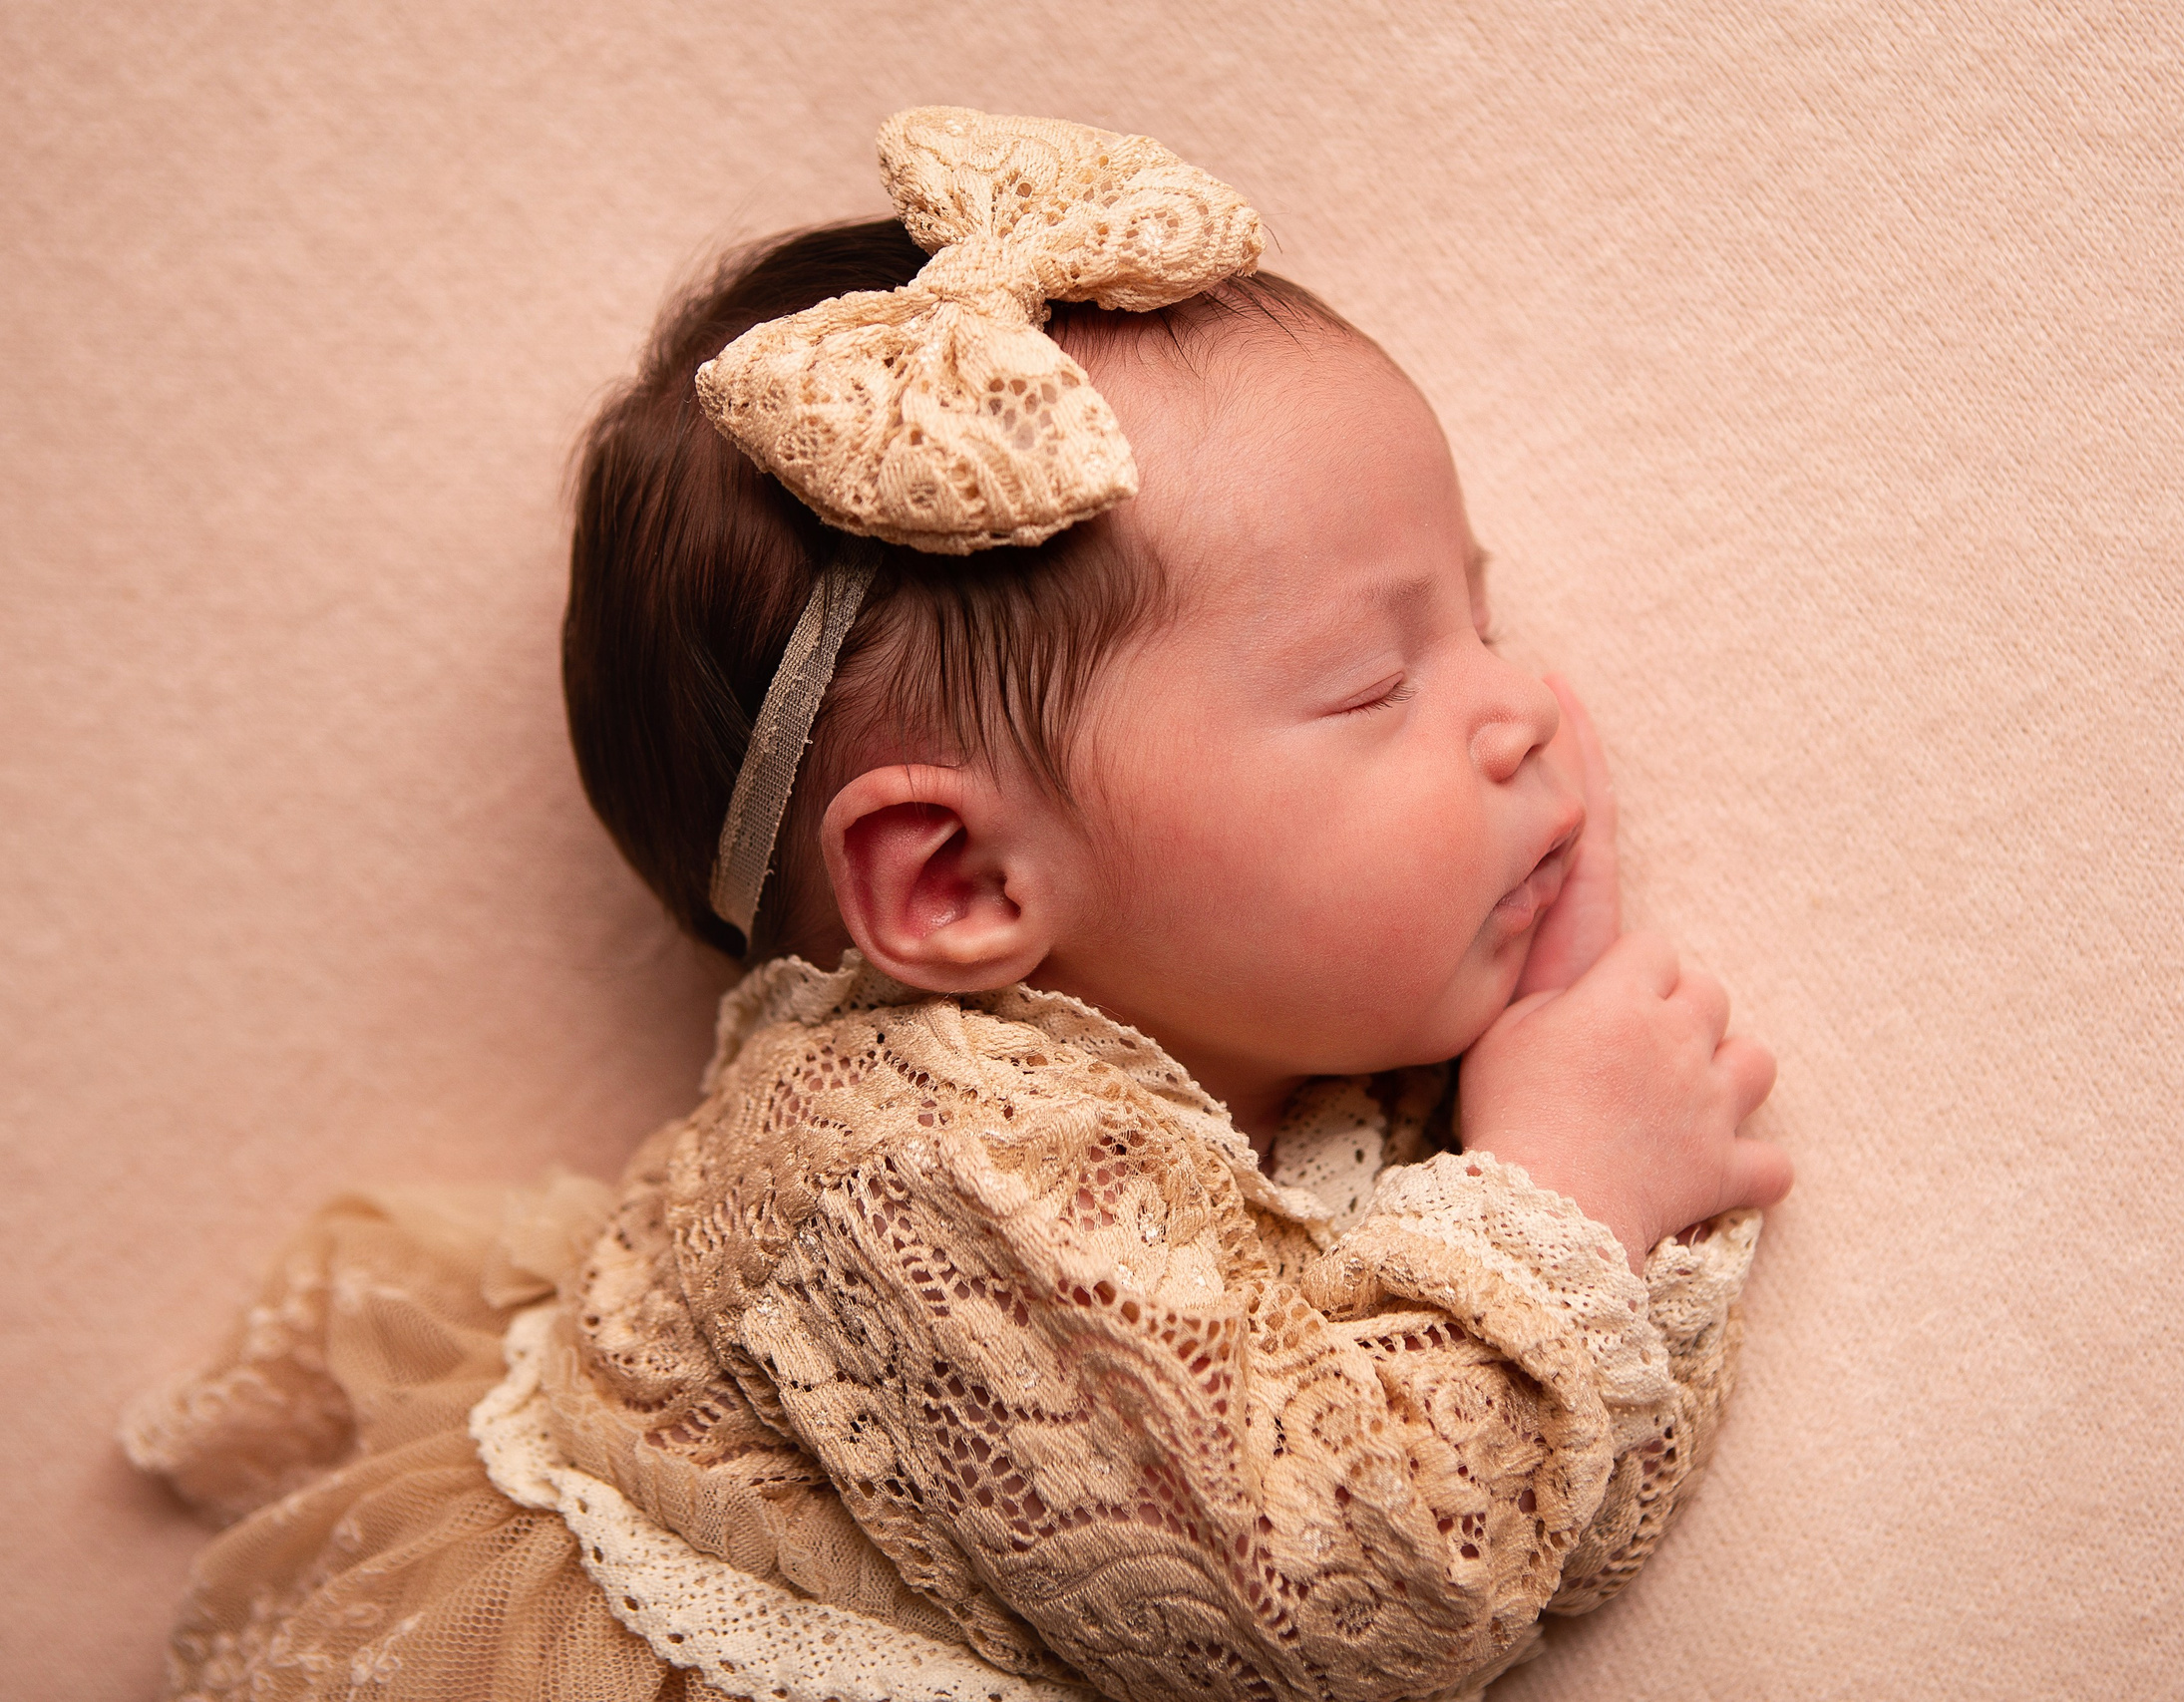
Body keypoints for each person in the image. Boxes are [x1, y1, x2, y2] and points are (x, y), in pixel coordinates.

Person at [124, 108, 1792, 1702]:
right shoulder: (885, 1164)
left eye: (1481, 622)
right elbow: (1360, 1618)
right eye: (1373, 683)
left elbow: (1548, 1548)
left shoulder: (1340, 1070)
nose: (1518, 706)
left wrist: (1573, 1097)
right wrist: (1565, 1196)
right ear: (959, 882)